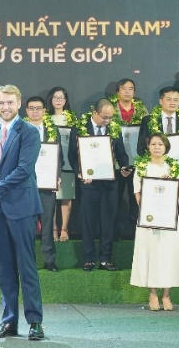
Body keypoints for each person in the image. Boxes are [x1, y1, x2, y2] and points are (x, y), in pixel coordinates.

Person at [0, 85, 44, 341]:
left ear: (19, 103)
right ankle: (9, 321)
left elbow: (23, 170)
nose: (5, 107)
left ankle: (35, 322)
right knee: (5, 268)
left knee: (26, 266)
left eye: (10, 103)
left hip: (21, 207)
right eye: (1, 103)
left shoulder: (29, 131)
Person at [68, 99, 132, 272]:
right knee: (88, 221)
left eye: (110, 117)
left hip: (110, 183)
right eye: (105, 117)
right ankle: (88, 258)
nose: (108, 121)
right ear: (95, 113)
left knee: (108, 221)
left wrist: (124, 168)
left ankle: (105, 258)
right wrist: (79, 172)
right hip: (88, 183)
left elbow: (122, 155)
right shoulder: (79, 128)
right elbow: (72, 155)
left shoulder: (114, 128)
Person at [130, 134, 179, 311]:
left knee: (168, 254)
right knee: (151, 253)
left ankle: (166, 294)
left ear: (166, 147)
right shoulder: (142, 166)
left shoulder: (174, 166)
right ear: (148, 147)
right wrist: (148, 212)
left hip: (169, 218)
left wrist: (174, 183)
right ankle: (153, 293)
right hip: (149, 218)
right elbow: (137, 192)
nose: (156, 147)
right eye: (153, 144)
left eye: (160, 144)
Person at [137, 87, 179, 239]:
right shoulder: (148, 121)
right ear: (160, 101)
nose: (172, 103)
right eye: (169, 99)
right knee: (156, 214)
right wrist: (155, 167)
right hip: (154, 176)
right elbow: (141, 149)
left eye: (176, 100)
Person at [24, 96, 62, 272]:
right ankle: (27, 260)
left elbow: (59, 156)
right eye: (31, 108)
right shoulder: (20, 130)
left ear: (44, 111)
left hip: (47, 184)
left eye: (38, 108)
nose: (35, 112)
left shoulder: (52, 130)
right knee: (27, 225)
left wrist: (57, 176)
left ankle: (49, 260)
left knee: (47, 224)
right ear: (26, 111)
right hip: (26, 185)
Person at [109, 78, 148, 239]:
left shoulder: (142, 110)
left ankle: (135, 233)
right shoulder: (110, 109)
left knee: (136, 199)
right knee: (114, 200)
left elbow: (147, 136)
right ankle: (114, 233)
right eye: (123, 89)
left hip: (137, 162)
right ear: (117, 91)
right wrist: (120, 163)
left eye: (130, 89)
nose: (127, 92)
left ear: (134, 92)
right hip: (115, 163)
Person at [46, 86, 76, 242]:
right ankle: (53, 229)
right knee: (50, 197)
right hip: (51, 162)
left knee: (66, 196)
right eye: (55, 97)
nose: (58, 100)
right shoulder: (46, 118)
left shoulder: (72, 119)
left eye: (61, 98)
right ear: (51, 100)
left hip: (69, 162)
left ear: (65, 100)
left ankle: (64, 229)